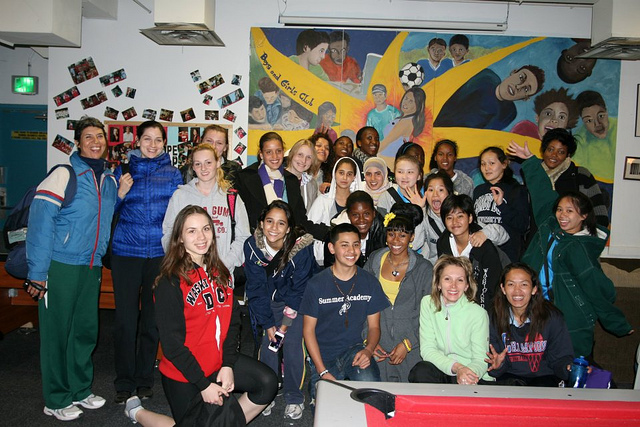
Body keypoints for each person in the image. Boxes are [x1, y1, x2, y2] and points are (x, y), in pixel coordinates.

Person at [25, 116, 117, 421]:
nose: (95, 142)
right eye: (88, 137)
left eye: (99, 137)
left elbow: (101, 217)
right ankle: (56, 397)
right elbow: (39, 223)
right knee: (57, 334)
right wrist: (38, 273)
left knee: (84, 332)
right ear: (78, 142)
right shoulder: (63, 175)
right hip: (59, 266)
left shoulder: (107, 179)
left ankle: (79, 389)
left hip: (90, 267)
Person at [508, 140, 633, 358]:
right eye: (560, 210)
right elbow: (542, 192)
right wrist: (529, 161)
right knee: (539, 364)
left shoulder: (578, 248)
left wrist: (617, 323)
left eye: (570, 211)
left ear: (584, 216)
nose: (562, 215)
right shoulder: (550, 225)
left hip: (570, 317)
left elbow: (597, 288)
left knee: (572, 367)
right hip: (539, 309)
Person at [153, 205, 278, 424]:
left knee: (267, 383)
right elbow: (172, 346)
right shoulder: (169, 281)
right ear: (180, 238)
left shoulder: (219, 272)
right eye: (191, 231)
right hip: (185, 374)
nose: (201, 237)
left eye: (206, 229)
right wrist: (203, 385)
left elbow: (232, 323)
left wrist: (227, 365)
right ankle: (138, 412)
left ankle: (224, 421)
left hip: (217, 363)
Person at [111, 120, 183, 404]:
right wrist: (119, 194)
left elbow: (179, 215)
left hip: (159, 254)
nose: (152, 145)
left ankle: (144, 379)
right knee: (125, 321)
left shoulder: (174, 174)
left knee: (152, 321)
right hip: (125, 252)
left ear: (164, 144)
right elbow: (107, 212)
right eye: (147, 139)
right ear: (137, 142)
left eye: (157, 140)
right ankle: (124, 382)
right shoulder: (122, 172)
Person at [300, 223, 390, 404]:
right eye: (344, 245)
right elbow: (308, 331)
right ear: (332, 248)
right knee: (324, 408)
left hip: (355, 350)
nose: (351, 250)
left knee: (373, 399)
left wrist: (368, 350)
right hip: (323, 354)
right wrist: (322, 371)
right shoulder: (316, 284)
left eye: (356, 244)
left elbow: (374, 327)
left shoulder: (370, 282)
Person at [244, 201, 315, 420]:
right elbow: (255, 290)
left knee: (293, 346)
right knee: (268, 348)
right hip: (268, 304)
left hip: (295, 303)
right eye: (269, 221)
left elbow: (299, 289)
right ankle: (267, 393)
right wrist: (268, 325)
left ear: (289, 228)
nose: (274, 228)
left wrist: (284, 325)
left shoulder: (301, 247)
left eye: (281, 223)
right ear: (261, 223)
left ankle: (294, 397)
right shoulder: (252, 246)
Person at [364, 212, 433, 382]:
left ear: (412, 237)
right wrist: (369, 340)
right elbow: (361, 303)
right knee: (378, 397)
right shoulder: (374, 261)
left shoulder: (424, 268)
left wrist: (408, 343)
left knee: (411, 398)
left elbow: (430, 312)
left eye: (403, 235)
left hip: (412, 347)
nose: (396, 240)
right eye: (391, 234)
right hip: (377, 345)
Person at [162, 144, 249, 277]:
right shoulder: (180, 196)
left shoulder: (231, 197)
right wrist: (182, 263)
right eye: (198, 164)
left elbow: (243, 237)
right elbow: (169, 233)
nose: (203, 168)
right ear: (193, 167)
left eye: (208, 162)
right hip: (187, 274)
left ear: (218, 162)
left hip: (222, 273)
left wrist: (224, 264)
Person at [485, 262, 574, 387]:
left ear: (534, 289)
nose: (517, 291)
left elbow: (560, 359)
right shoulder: (492, 317)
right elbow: (496, 364)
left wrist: (568, 368)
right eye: (511, 284)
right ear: (503, 289)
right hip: (509, 379)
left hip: (545, 378)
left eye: (524, 284)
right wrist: (498, 365)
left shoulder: (552, 317)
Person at [408, 256, 493, 385]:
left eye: (460, 280)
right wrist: (457, 368)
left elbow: (481, 360)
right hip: (444, 369)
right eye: (447, 279)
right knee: (421, 371)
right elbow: (427, 350)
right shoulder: (427, 303)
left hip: (471, 373)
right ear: (438, 284)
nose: (453, 286)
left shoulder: (478, 313)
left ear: (466, 286)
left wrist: (466, 373)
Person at [234, 132, 328, 240]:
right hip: (255, 245)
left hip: (286, 247)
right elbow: (240, 219)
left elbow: (300, 221)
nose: (275, 156)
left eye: (278, 151)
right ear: (261, 154)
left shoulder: (291, 180)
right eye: (269, 152)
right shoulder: (245, 178)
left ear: (283, 152)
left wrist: (330, 234)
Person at [437, 194, 503, 311]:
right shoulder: (443, 243)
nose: (455, 222)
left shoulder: (484, 248)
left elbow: (488, 290)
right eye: (449, 217)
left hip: (481, 307)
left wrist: (480, 316)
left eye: (460, 216)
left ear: (470, 218)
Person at [434, 65, 545, 131]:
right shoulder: (486, 77)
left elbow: (484, 135)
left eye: (526, 89)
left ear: (525, 98)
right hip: (438, 124)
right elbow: (454, 99)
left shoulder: (509, 113)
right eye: (521, 77)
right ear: (514, 72)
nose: (518, 86)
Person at [536, 128, 609, 227]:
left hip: (573, 239)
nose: (554, 155)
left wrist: (583, 238)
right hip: (538, 238)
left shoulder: (581, 175)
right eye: (550, 149)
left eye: (561, 152)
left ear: (568, 155)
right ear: (543, 151)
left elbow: (600, 216)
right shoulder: (534, 175)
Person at [473, 146, 529, 262]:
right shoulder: (478, 190)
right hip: (483, 254)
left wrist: (502, 205)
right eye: (483, 164)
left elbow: (522, 225)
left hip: (507, 255)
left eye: (491, 163)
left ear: (504, 164)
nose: (487, 168)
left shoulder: (516, 190)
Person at [324, 191, 385, 268]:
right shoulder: (335, 234)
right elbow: (331, 267)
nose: (361, 220)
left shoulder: (382, 229)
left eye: (366, 214)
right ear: (348, 215)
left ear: (373, 213)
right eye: (355, 215)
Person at [572, 90, 616, 181]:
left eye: (601, 116)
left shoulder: (620, 128)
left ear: (607, 111)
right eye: (589, 120)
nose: (597, 124)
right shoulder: (579, 140)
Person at [308, 157, 362, 227]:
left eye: (349, 174)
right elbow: (311, 226)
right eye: (341, 173)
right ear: (334, 174)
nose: (344, 178)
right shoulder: (322, 201)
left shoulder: (359, 202)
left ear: (354, 177)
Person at [511, 88, 579, 140]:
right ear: (537, 117)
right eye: (548, 114)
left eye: (561, 117)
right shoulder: (524, 129)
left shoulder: (562, 148)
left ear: (566, 126)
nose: (554, 120)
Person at [380, 87, 426, 157]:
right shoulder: (404, 118)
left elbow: (385, 142)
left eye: (411, 101)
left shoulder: (406, 122)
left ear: (418, 105)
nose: (406, 103)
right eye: (406, 98)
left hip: (389, 160)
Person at [286, 138, 320, 212]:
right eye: (300, 155)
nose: (303, 160)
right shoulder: (279, 178)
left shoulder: (311, 184)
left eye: (308, 157)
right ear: (292, 154)